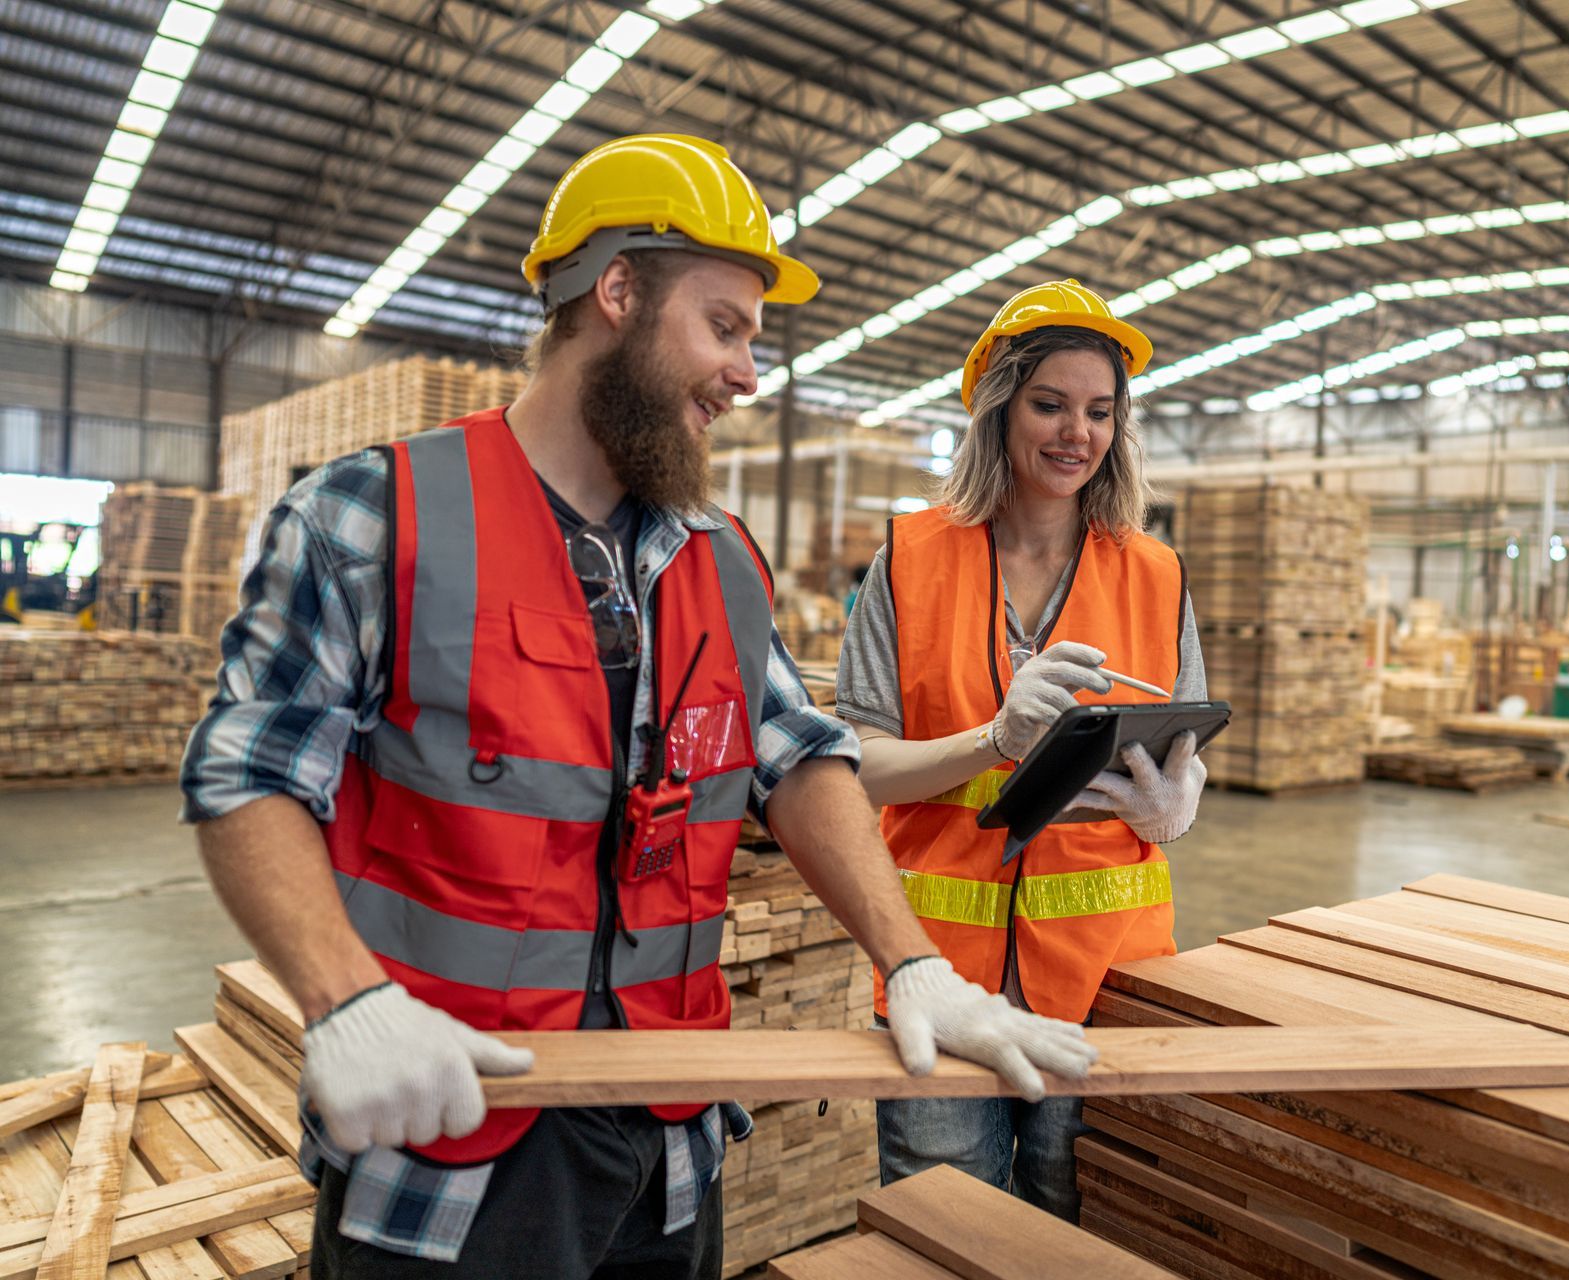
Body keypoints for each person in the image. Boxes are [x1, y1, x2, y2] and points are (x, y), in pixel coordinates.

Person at [179, 135, 1097, 1279]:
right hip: (447, 1129)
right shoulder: (377, 515)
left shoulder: (720, 559)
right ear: (617, 292)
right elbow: (251, 772)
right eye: (725, 327)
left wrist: (913, 963)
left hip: (666, 1146)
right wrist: (344, 998)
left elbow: (802, 760)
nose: (747, 373)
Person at [834, 280, 1209, 1220]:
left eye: (1099, 411)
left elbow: (1185, 742)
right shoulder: (911, 560)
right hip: (943, 971)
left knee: (1074, 1226)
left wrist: (1175, 806)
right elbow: (859, 762)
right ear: (998, 409)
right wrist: (993, 740)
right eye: (1049, 404)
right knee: (947, 1224)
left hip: (1107, 972)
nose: (1074, 432)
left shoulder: (1155, 574)